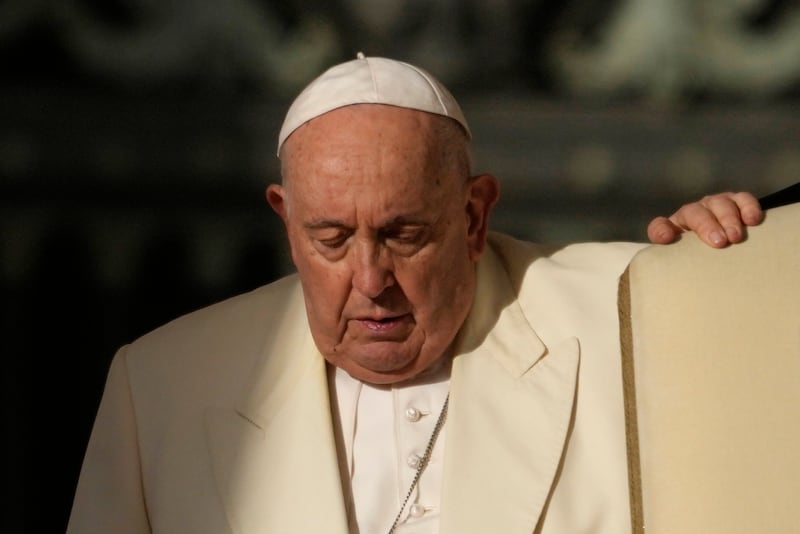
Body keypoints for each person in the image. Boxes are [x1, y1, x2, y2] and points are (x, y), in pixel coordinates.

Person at [67, 54, 763, 534]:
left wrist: (738, 268)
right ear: (286, 221)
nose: (371, 282)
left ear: (474, 216)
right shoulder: (160, 387)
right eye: (332, 239)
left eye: (403, 235)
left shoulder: (631, 315)